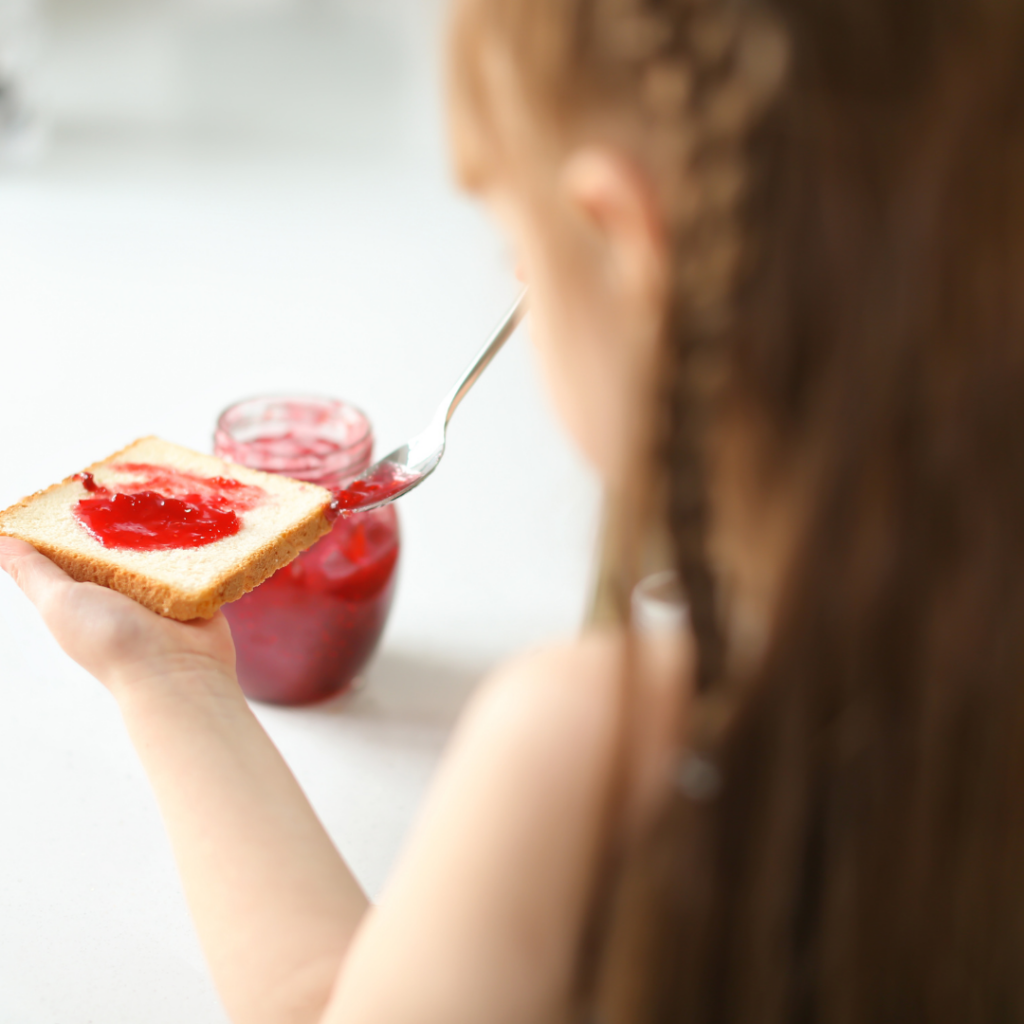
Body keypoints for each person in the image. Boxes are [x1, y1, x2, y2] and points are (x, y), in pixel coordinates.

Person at [3, 0, 1024, 1020]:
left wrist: (167, 687)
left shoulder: (597, 745)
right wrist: (175, 673)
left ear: (630, 245)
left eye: (514, 249)